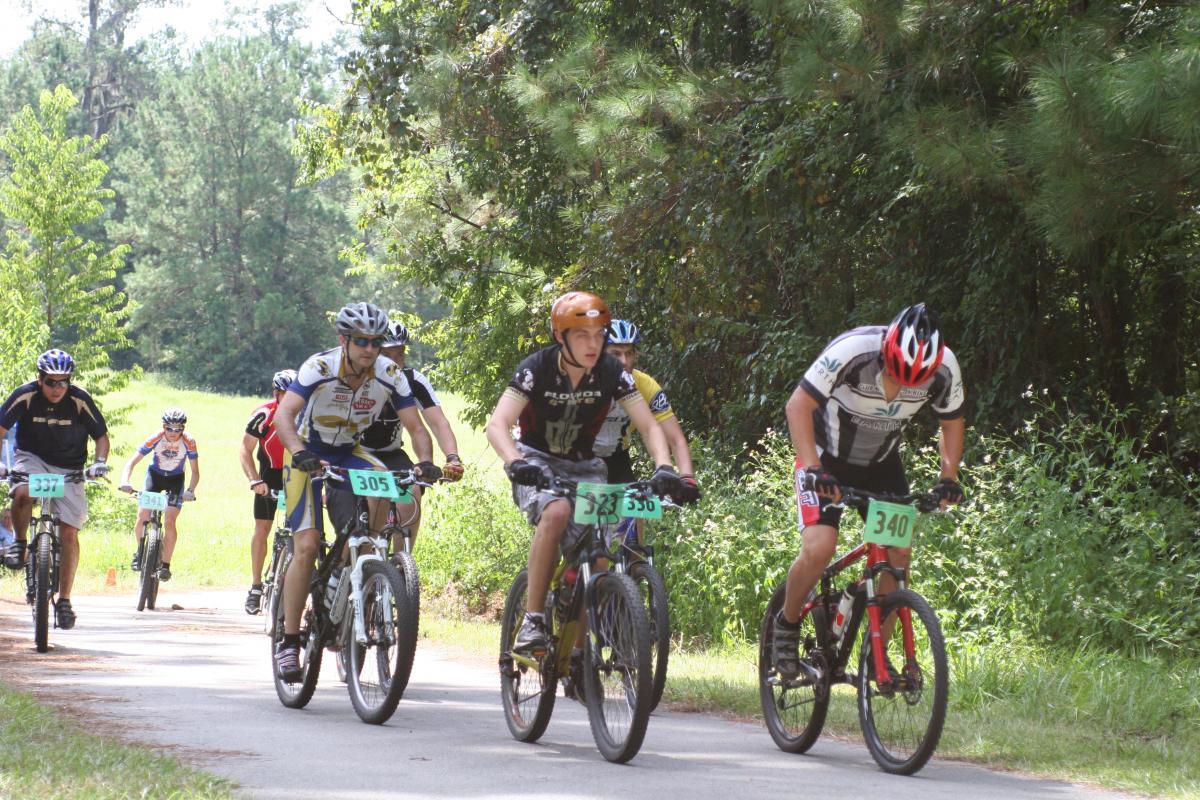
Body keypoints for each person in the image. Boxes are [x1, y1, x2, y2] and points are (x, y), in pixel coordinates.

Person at [772, 304, 965, 679]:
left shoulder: (945, 367)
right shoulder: (852, 351)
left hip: (881, 465)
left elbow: (952, 421)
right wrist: (813, 468)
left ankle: (877, 653)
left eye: (914, 381)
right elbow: (797, 406)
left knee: (898, 556)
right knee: (819, 548)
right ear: (885, 353)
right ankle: (788, 623)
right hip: (826, 458)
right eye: (895, 374)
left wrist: (948, 477)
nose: (901, 386)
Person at [485, 291, 682, 655]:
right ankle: (533, 620)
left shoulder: (611, 373)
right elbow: (498, 424)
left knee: (597, 557)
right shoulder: (536, 369)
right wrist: (515, 462)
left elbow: (649, 426)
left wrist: (664, 466)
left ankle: (578, 656)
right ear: (561, 337)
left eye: (599, 334)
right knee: (556, 511)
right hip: (536, 459)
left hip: (586, 466)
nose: (594, 344)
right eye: (582, 335)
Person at [272, 302, 434, 680]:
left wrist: (424, 461)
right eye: (361, 341)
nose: (369, 349)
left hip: (350, 451)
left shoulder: (388, 373)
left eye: (376, 342)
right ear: (344, 340)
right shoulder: (320, 367)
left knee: (376, 514)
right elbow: (284, 415)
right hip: (307, 451)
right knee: (308, 545)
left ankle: (351, 576)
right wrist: (299, 452)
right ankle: (290, 641)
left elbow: (417, 427)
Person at [0, 349, 111, 630]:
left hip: (70, 466)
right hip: (32, 458)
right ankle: (20, 542)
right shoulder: (25, 395)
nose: (57, 388)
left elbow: (101, 436)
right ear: (40, 380)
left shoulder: (79, 399)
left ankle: (64, 600)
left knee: (70, 533)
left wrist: (99, 463)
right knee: (23, 492)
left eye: (63, 382)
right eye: (51, 382)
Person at [328, 320, 460, 548]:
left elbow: (436, 423)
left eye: (400, 354)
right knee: (353, 538)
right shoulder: (353, 377)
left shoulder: (411, 381)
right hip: (349, 454)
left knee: (412, 489)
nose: (395, 362)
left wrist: (450, 458)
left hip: (390, 454)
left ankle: (401, 566)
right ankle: (344, 571)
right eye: (387, 354)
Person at [594, 318, 700, 509]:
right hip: (579, 457)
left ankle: (634, 540)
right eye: (615, 354)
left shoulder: (645, 385)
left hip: (617, 457)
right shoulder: (582, 382)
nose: (624, 361)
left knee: (635, 511)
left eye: (629, 353)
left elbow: (675, 439)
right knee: (570, 521)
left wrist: (686, 479)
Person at [238, 369, 297, 614]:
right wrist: (254, 480)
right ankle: (255, 586)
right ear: (277, 393)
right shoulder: (265, 413)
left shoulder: (308, 415)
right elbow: (244, 449)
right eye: (285, 394)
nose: (291, 399)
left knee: (300, 531)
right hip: (269, 476)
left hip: (296, 475)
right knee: (262, 528)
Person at [117, 408, 200, 582]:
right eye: (170, 428)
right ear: (164, 426)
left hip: (176, 480)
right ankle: (140, 553)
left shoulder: (189, 442)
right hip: (154, 477)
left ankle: (165, 565)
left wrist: (190, 491)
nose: (174, 433)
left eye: (179, 429)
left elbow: (195, 472)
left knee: (170, 520)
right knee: (142, 516)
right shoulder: (155, 437)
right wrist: (125, 481)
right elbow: (132, 462)